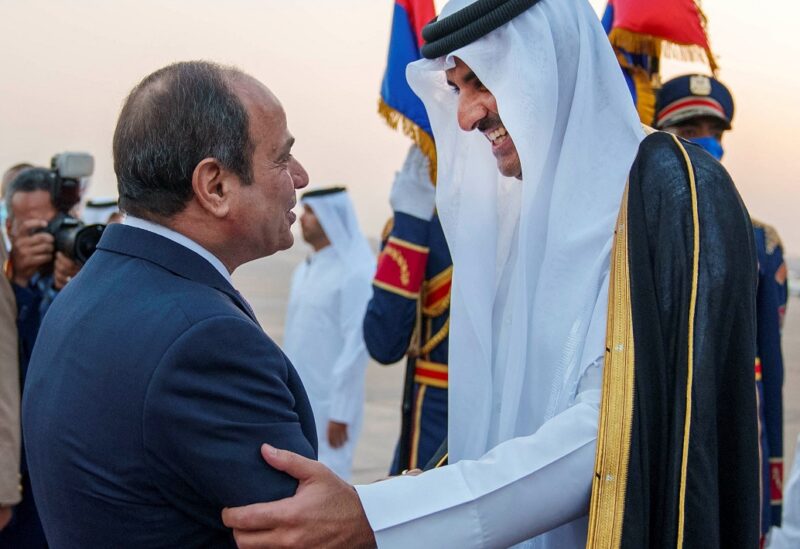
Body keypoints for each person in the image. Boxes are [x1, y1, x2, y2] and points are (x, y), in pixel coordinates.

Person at [222, 1, 760, 547]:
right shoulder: (521, 211)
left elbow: (610, 436)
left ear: (547, 62)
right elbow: (512, 415)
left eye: (481, 81)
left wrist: (378, 517)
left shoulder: (672, 190)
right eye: (456, 88)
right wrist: (415, 490)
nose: (466, 115)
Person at [21, 61, 315, 548]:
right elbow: (308, 534)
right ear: (215, 186)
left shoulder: (86, 289)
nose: (300, 177)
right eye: (282, 159)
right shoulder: (205, 342)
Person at [655, 74, 789, 540]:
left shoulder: (759, 241)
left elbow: (770, 368)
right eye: (688, 132)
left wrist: (770, 495)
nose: (705, 143)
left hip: (735, 424)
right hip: (663, 416)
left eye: (712, 132)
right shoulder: (635, 232)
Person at [0, 167, 83, 549]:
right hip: (19, 468)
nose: (45, 241)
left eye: (51, 228)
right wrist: (17, 282)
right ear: (10, 228)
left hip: (65, 460)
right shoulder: (8, 284)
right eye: (31, 230)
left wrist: (77, 284)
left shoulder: (79, 277)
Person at [364, 144, 452, 473]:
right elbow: (383, 342)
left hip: (438, 419)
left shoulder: (424, 225)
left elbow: (382, 342)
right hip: (432, 425)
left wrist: (411, 223)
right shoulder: (426, 223)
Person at [283, 186, 374, 480]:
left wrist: (341, 412)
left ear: (331, 217)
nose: (302, 219)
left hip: (330, 406)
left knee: (331, 478)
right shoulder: (305, 269)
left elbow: (357, 344)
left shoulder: (355, 271)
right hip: (299, 396)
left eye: (311, 213)